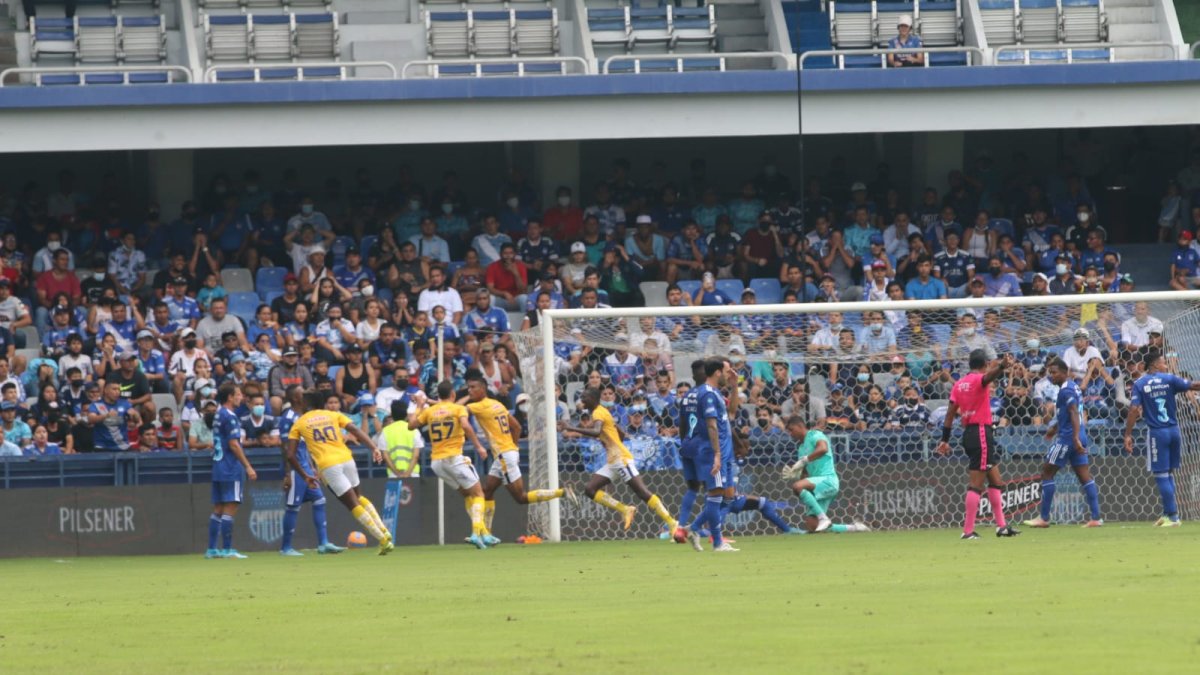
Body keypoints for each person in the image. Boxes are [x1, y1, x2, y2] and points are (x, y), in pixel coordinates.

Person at [465, 374, 575, 540]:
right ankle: (486, 533)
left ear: (483, 389)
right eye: (468, 388)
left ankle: (562, 493)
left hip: (504, 456)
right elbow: (516, 426)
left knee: (521, 498)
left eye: (473, 387)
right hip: (505, 454)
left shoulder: (480, 406)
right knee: (487, 491)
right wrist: (513, 448)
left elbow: (456, 411)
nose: (469, 390)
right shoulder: (497, 404)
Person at [286, 389, 394, 554]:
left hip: (328, 465)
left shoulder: (300, 423)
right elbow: (356, 431)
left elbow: (290, 455)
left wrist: (305, 475)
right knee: (359, 497)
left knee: (352, 504)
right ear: (322, 403)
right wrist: (374, 448)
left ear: (305, 404)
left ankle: (382, 539)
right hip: (347, 459)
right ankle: (385, 532)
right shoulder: (333, 415)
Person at [563, 387, 679, 536]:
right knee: (590, 489)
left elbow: (597, 431)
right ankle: (625, 509)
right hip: (613, 460)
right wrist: (613, 445)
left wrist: (571, 427)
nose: (582, 400)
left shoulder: (598, 412)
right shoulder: (602, 411)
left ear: (593, 398)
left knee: (642, 492)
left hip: (620, 459)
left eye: (584, 397)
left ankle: (671, 522)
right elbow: (620, 432)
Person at [936, 350, 1021, 539]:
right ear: (984, 364)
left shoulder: (959, 384)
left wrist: (945, 439)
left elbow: (950, 414)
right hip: (981, 432)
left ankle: (1001, 526)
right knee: (976, 485)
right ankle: (967, 531)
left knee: (996, 481)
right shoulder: (979, 379)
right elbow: (988, 377)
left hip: (970, 433)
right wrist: (1001, 366)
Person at [408, 380, 492, 549]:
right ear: (453, 395)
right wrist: (479, 446)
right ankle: (477, 533)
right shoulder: (458, 409)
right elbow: (466, 426)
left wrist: (419, 405)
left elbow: (411, 425)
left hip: (437, 463)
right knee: (479, 494)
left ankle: (485, 534)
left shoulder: (430, 412)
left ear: (439, 395)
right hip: (454, 458)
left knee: (468, 495)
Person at [1022, 358, 1103, 528]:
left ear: (1065, 372)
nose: (1051, 376)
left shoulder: (1065, 391)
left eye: (1055, 372)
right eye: (1050, 373)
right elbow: (1069, 414)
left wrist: (1072, 437)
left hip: (1068, 439)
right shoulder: (1073, 387)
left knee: (1047, 473)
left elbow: (1073, 411)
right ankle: (1096, 518)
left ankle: (1043, 518)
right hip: (1080, 435)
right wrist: (1056, 428)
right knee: (1084, 476)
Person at [1123, 351, 1200, 527]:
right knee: (1169, 473)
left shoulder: (1140, 383)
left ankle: (1172, 517)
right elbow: (1194, 386)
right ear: (1155, 365)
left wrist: (1128, 434)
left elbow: (1134, 409)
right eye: (1164, 362)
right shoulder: (1169, 379)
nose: (1166, 365)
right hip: (1174, 431)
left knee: (1161, 475)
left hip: (1158, 433)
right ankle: (1167, 513)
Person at [277, 385, 344, 556]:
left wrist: (313, 467)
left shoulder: (304, 417)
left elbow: (305, 446)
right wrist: (287, 473)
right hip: (295, 469)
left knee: (320, 500)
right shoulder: (288, 418)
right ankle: (286, 548)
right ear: (296, 398)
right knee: (293, 506)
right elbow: (285, 447)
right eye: (302, 393)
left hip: (306, 467)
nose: (306, 395)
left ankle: (323, 543)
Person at [781, 416, 869, 534]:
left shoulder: (814, 435)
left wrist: (804, 461)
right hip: (818, 486)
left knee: (797, 487)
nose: (790, 434)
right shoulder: (801, 448)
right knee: (813, 527)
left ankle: (823, 518)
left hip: (828, 480)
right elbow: (806, 475)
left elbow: (823, 448)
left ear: (800, 426)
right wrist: (796, 475)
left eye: (791, 430)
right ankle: (855, 528)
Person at [205, 383, 257, 559]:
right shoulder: (231, 416)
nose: (241, 397)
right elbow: (234, 444)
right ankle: (227, 549)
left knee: (218, 508)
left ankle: (212, 549)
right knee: (230, 507)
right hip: (230, 467)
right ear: (230, 397)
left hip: (218, 466)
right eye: (238, 394)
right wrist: (248, 466)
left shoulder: (218, 414)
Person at [87, 381, 142, 452]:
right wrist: (106, 416)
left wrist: (135, 414)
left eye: (119, 389)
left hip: (122, 446)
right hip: (102, 446)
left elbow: (137, 421)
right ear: (106, 390)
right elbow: (90, 419)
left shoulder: (125, 403)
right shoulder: (96, 405)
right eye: (114, 389)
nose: (117, 392)